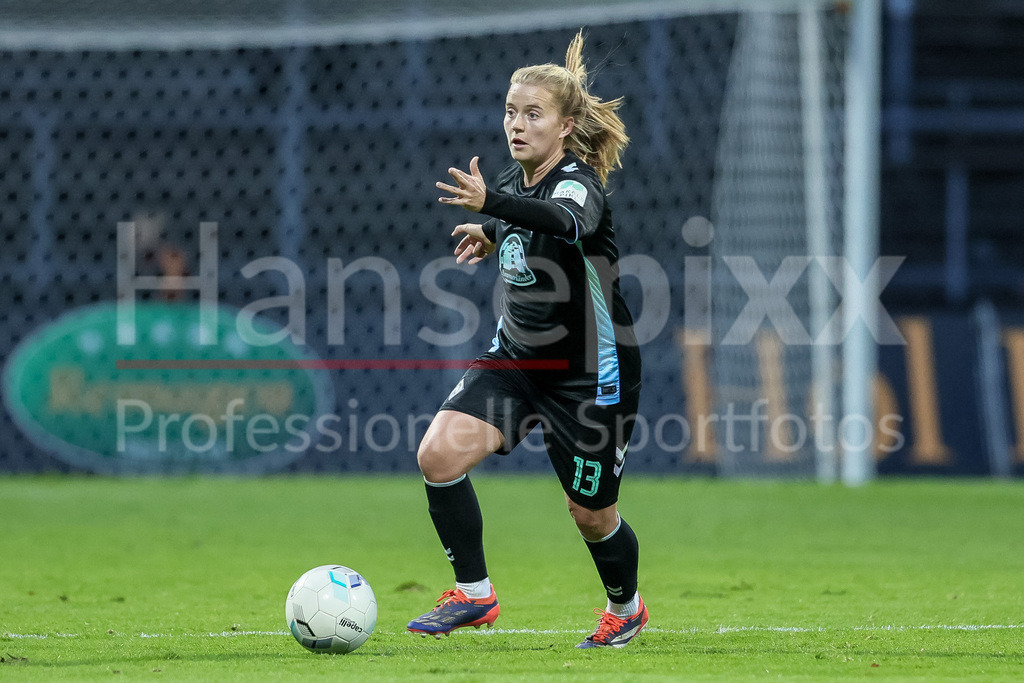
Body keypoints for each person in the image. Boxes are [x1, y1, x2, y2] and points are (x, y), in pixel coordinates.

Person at [406, 30, 647, 649]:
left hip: (591, 374)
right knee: (437, 456)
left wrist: (495, 207)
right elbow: (532, 225)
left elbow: (566, 221)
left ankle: (626, 607)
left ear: (566, 126)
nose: (517, 124)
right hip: (516, 361)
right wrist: (495, 231)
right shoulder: (523, 184)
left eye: (533, 114)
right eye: (511, 111)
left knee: (591, 516)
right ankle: (475, 596)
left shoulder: (577, 182)